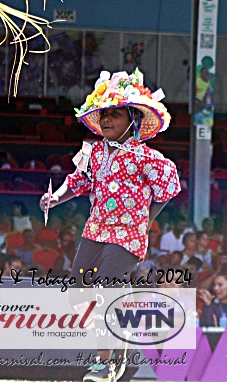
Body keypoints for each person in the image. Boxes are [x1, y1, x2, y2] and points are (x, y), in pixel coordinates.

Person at [41, 70, 179, 382]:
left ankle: (104, 364)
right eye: (103, 114)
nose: (106, 120)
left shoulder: (147, 157)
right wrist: (56, 197)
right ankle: (122, 325)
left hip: (127, 236)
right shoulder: (92, 151)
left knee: (104, 292)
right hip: (95, 231)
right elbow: (77, 181)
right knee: (77, 293)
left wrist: (145, 221)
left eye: (115, 114)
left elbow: (169, 188)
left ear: (133, 119)